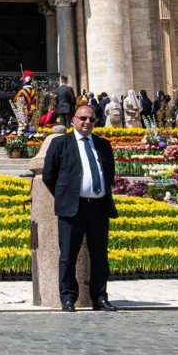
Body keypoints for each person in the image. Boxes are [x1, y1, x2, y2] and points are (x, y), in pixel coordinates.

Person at [38, 101, 117, 311]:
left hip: (98, 207)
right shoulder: (60, 143)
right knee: (68, 255)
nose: (87, 122)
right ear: (74, 120)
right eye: (83, 118)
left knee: (99, 255)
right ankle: (68, 297)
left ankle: (99, 297)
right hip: (73, 208)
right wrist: (65, 196)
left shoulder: (103, 144)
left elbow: (109, 175)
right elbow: (48, 176)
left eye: (91, 119)